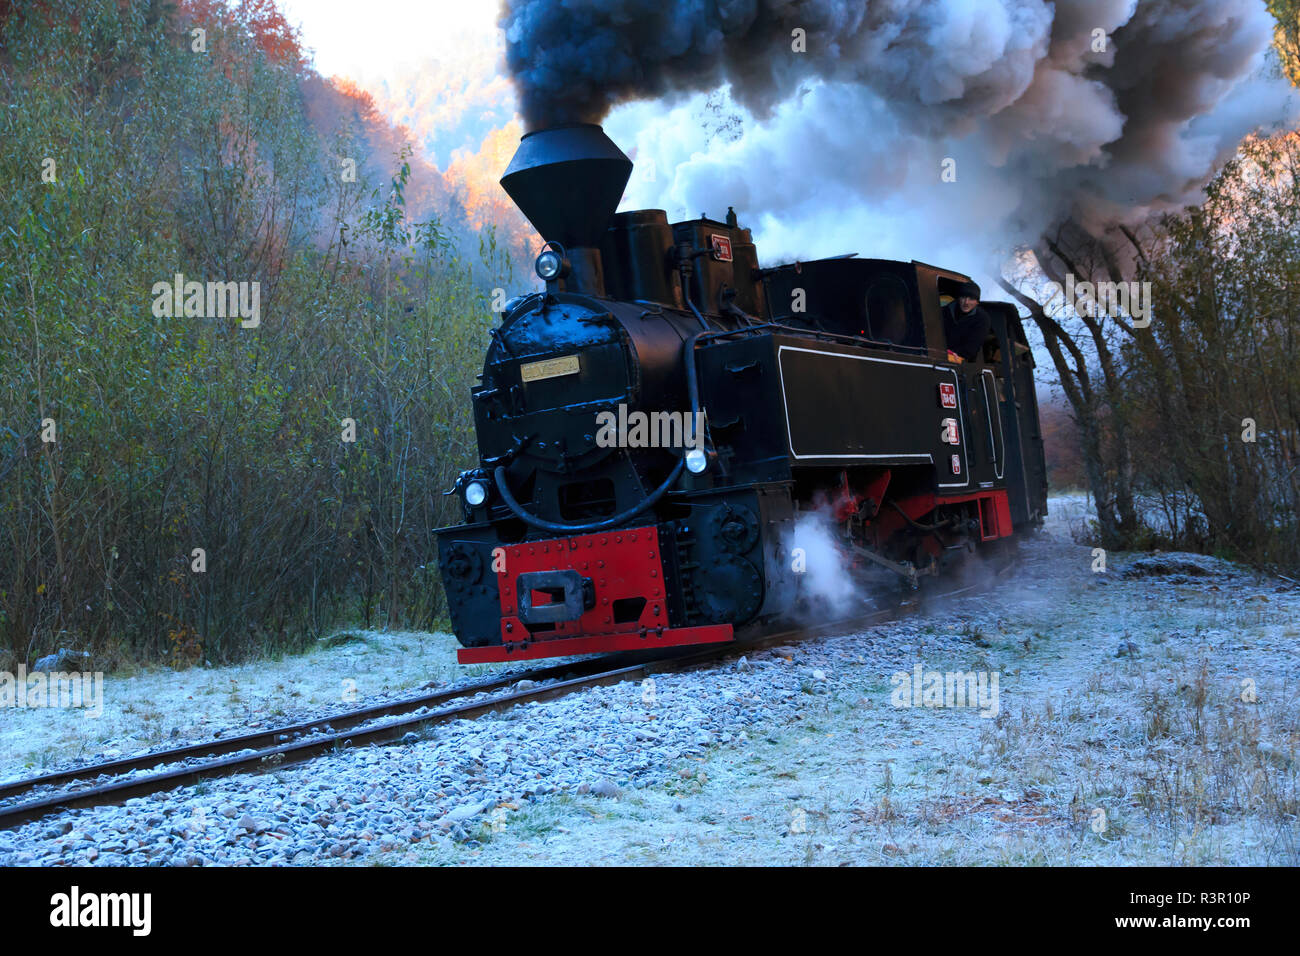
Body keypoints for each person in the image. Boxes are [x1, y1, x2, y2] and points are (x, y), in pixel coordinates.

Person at [942, 281, 991, 362]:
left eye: (971, 299)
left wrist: (955, 353)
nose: (966, 302)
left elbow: (972, 347)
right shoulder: (944, 311)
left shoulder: (982, 319)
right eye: (964, 297)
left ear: (977, 302)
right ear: (958, 298)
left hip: (963, 363)